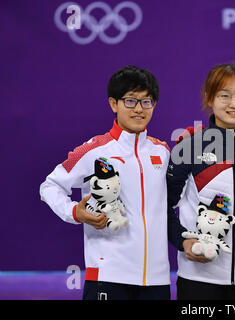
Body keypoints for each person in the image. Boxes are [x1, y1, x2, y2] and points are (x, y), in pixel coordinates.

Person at [40, 66, 172, 300]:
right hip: (108, 277)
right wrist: (74, 212)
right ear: (114, 104)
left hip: (157, 279)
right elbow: (50, 186)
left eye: (147, 101)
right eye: (130, 101)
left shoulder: (162, 152)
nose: (139, 109)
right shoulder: (94, 149)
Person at [167, 63, 235, 300]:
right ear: (209, 98)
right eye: (224, 96)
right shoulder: (189, 147)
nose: (234, 104)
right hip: (199, 278)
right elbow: (161, 207)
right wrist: (183, 242)